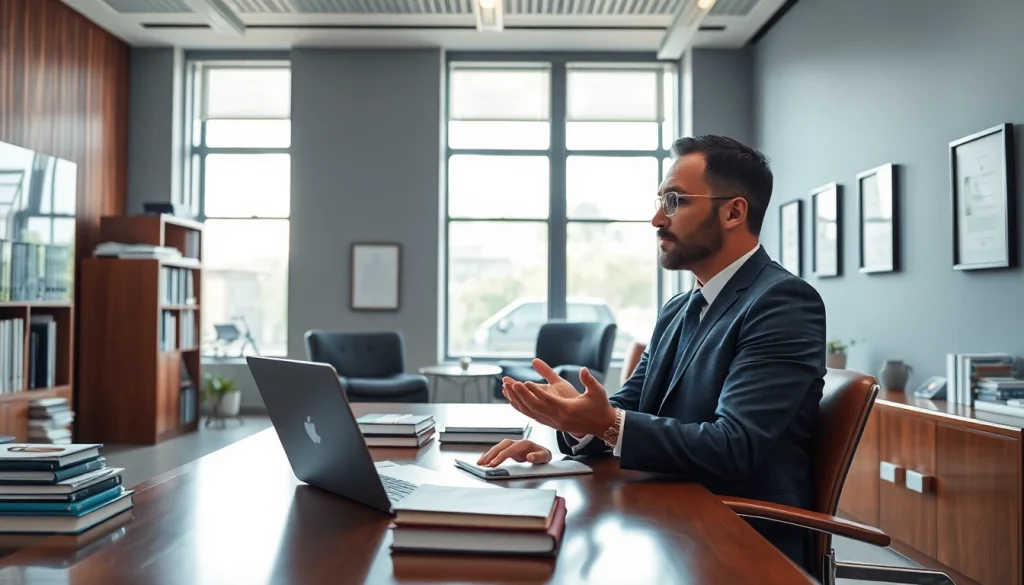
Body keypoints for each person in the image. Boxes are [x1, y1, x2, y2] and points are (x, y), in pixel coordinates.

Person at [477, 135, 826, 573]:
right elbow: (630, 407)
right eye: (661, 200)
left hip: (741, 538)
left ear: (734, 211)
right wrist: (580, 421)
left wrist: (604, 422)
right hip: (671, 513)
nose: (657, 218)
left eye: (675, 201)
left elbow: (734, 446)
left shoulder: (783, 302)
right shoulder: (679, 308)